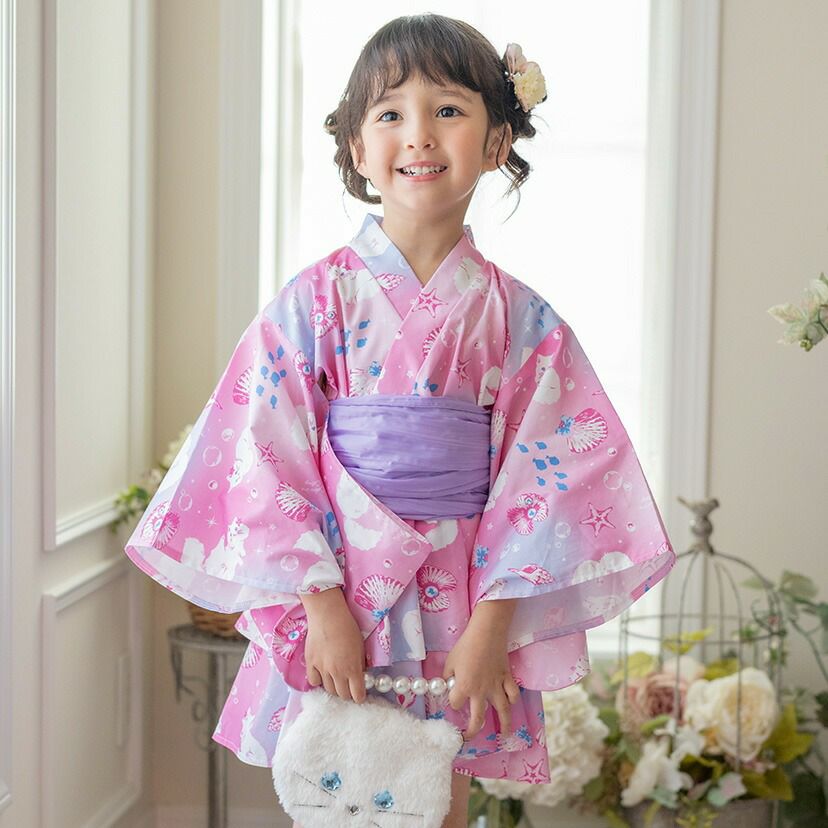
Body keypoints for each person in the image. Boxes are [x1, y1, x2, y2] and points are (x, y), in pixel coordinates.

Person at [124, 13, 676, 828]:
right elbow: (263, 449)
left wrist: (492, 630)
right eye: (390, 113)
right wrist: (321, 608)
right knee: (330, 788)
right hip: (338, 587)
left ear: (497, 141)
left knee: (437, 795)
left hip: (464, 596)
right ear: (357, 148)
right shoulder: (313, 301)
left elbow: (552, 474)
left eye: (448, 110)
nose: (419, 133)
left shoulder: (521, 319)